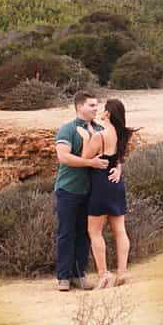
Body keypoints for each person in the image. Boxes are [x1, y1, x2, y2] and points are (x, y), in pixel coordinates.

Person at [53, 91, 116, 291]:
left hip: (92, 191)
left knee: (85, 234)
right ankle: (63, 277)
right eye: (91, 105)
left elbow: (115, 154)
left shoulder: (99, 130)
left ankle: (79, 275)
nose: (95, 109)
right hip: (69, 189)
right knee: (66, 232)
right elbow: (63, 157)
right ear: (79, 107)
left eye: (96, 105)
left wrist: (117, 168)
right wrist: (90, 162)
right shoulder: (67, 129)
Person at [81, 98, 132, 288]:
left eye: (103, 109)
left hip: (101, 184)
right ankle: (122, 272)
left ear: (108, 113)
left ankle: (103, 274)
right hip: (116, 183)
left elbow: (85, 159)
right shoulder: (121, 134)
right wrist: (118, 168)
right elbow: (118, 159)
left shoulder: (99, 136)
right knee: (120, 231)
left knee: (94, 231)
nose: (101, 112)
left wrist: (86, 138)